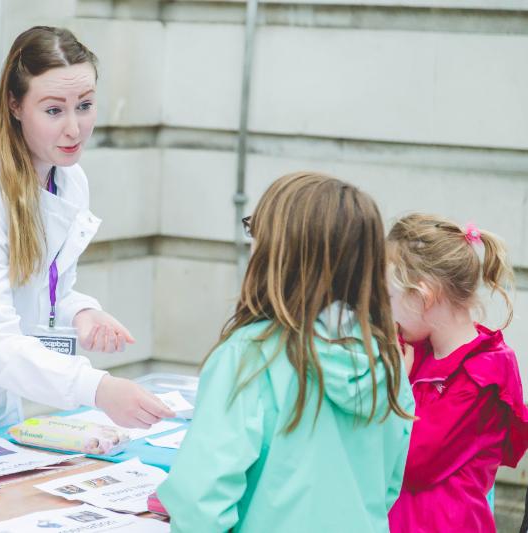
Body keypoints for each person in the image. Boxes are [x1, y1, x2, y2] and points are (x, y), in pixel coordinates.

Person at [0, 26, 173, 431]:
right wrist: (97, 388)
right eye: (54, 110)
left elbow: (39, 286)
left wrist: (80, 310)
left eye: (84, 106)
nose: (74, 128)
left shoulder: (66, 176)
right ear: (15, 105)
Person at [156, 172, 414, 532]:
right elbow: (386, 488)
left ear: (279, 252)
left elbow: (201, 504)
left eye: (254, 230)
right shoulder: (386, 357)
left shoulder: (249, 356)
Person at [386, 214, 528, 533]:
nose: (387, 310)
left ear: (423, 296)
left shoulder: (483, 373)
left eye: (391, 297)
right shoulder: (417, 348)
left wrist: (396, 388)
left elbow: (411, 463)